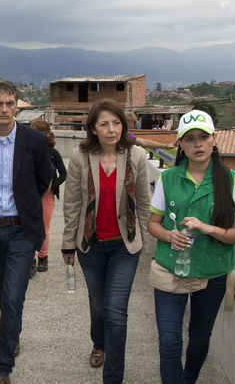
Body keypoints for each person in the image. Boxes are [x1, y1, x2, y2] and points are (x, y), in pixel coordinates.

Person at [147, 110, 235, 384]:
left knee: (200, 338)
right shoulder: (169, 179)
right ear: (180, 144)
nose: (198, 144)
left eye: (204, 137)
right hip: (170, 268)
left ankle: (188, 378)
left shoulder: (233, 181)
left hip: (212, 270)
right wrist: (169, 236)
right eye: (189, 139)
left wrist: (207, 228)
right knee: (168, 342)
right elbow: (153, 224)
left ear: (215, 139)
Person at [0, 80, 51, 384]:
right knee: (4, 293)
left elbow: (45, 181)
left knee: (13, 295)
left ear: (17, 106)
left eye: (10, 103)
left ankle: (2, 365)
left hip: (21, 231)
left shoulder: (34, 141)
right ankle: (13, 332)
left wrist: (25, 209)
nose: (4, 109)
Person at [62, 99, 151, 383]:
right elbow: (73, 203)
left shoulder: (136, 155)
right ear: (93, 128)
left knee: (115, 310)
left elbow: (144, 203)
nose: (111, 129)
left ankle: (113, 377)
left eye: (116, 122)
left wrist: (147, 240)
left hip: (126, 245)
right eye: (104, 124)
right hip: (91, 244)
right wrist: (67, 243)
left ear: (123, 126)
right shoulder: (80, 157)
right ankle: (98, 342)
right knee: (99, 305)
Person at [29, 118, 66, 274]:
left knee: (44, 228)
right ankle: (31, 260)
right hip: (30, 195)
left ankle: (43, 257)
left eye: (37, 131)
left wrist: (52, 187)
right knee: (29, 228)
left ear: (46, 134)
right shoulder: (26, 150)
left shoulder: (53, 153)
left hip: (47, 196)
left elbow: (64, 174)